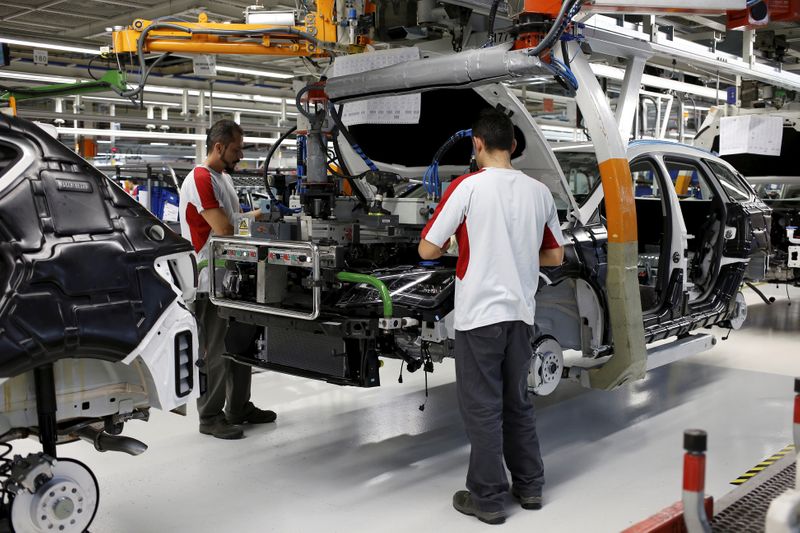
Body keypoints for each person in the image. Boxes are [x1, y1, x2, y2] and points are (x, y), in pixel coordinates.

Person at [418, 108, 565, 525]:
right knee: (517, 402)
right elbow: (555, 255)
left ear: (476, 144)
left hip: (479, 316)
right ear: (514, 145)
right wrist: (514, 251)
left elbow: (427, 249)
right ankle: (531, 487)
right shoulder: (539, 191)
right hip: (521, 314)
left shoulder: (467, 188)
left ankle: (487, 498)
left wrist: (466, 247)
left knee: (482, 408)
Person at [179, 119, 277, 440]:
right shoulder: (200, 178)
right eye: (236, 150)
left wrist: (259, 217)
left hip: (231, 279)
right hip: (208, 282)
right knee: (215, 352)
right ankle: (209, 416)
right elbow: (223, 229)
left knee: (240, 346)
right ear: (219, 147)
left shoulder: (224, 178)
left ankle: (238, 408)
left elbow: (232, 221)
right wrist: (254, 225)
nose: (239, 156)